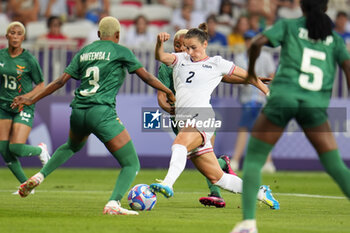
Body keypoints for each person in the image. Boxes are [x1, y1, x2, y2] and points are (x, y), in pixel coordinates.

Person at [11, 16, 175, 215]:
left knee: (72, 146)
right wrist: (167, 90)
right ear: (117, 35)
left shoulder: (84, 51)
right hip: (101, 113)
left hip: (78, 111)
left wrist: (32, 99)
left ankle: (40, 176)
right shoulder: (121, 51)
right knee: (131, 163)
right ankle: (113, 203)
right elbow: (147, 76)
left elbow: (60, 82)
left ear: (98, 35)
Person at [232, 0, 350, 232]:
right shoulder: (335, 39)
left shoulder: (289, 26)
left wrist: (253, 72)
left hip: (283, 99)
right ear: (326, 8)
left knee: (254, 159)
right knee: (335, 165)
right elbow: (348, 68)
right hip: (314, 104)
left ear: (302, 7)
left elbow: (257, 43)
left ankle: (248, 224)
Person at [150, 23, 280, 211]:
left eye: (193, 47)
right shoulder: (180, 59)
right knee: (218, 178)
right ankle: (261, 192)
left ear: (204, 44)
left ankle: (168, 184)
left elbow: (249, 76)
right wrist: (159, 43)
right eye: (187, 47)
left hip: (202, 117)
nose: (190, 51)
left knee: (179, 144)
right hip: (184, 119)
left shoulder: (217, 63)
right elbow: (159, 56)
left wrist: (266, 91)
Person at [157, 28, 237, 208]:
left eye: (184, 46)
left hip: (200, 115)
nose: (181, 49)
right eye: (178, 45)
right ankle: (224, 164)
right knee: (201, 158)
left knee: (186, 149)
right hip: (180, 116)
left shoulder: (200, 62)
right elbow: (161, 97)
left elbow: (224, 76)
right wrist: (173, 110)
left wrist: (250, 79)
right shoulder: (170, 65)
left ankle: (214, 193)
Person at [0, 21, 51, 192]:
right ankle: (26, 185)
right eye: (12, 33)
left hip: (23, 106)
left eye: (19, 33)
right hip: (3, 106)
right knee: (4, 149)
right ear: (7, 36)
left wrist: (25, 98)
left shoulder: (29, 59)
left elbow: (41, 85)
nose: (15, 36)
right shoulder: (1, 56)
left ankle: (40, 150)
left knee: (15, 148)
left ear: (23, 37)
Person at [230, 30, 276, 173]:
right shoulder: (240, 58)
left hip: (261, 99)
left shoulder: (265, 57)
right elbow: (240, 80)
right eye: (247, 40)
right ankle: (267, 162)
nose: (248, 42)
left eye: (251, 40)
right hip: (248, 99)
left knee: (251, 129)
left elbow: (272, 76)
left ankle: (238, 160)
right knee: (255, 130)